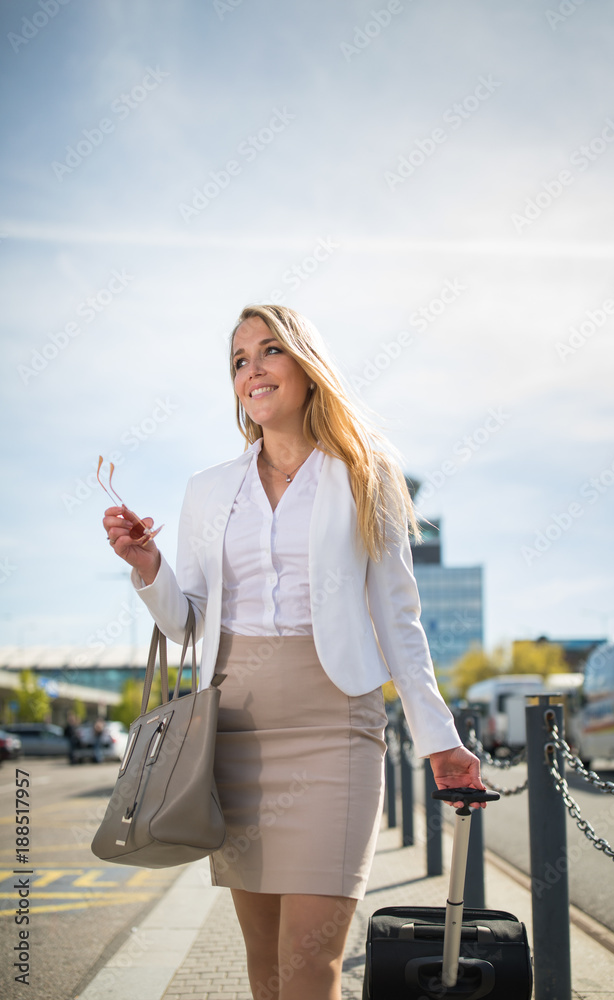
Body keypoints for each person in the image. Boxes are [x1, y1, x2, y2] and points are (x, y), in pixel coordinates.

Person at [102, 304, 485, 1000]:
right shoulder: (208, 490)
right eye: (238, 359)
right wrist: (147, 567)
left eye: (268, 350)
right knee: (267, 971)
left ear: (306, 367)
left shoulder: (365, 474)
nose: (252, 368)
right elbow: (188, 625)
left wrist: (440, 738)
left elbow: (399, 622)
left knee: (311, 967)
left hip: (334, 727)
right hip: (233, 732)